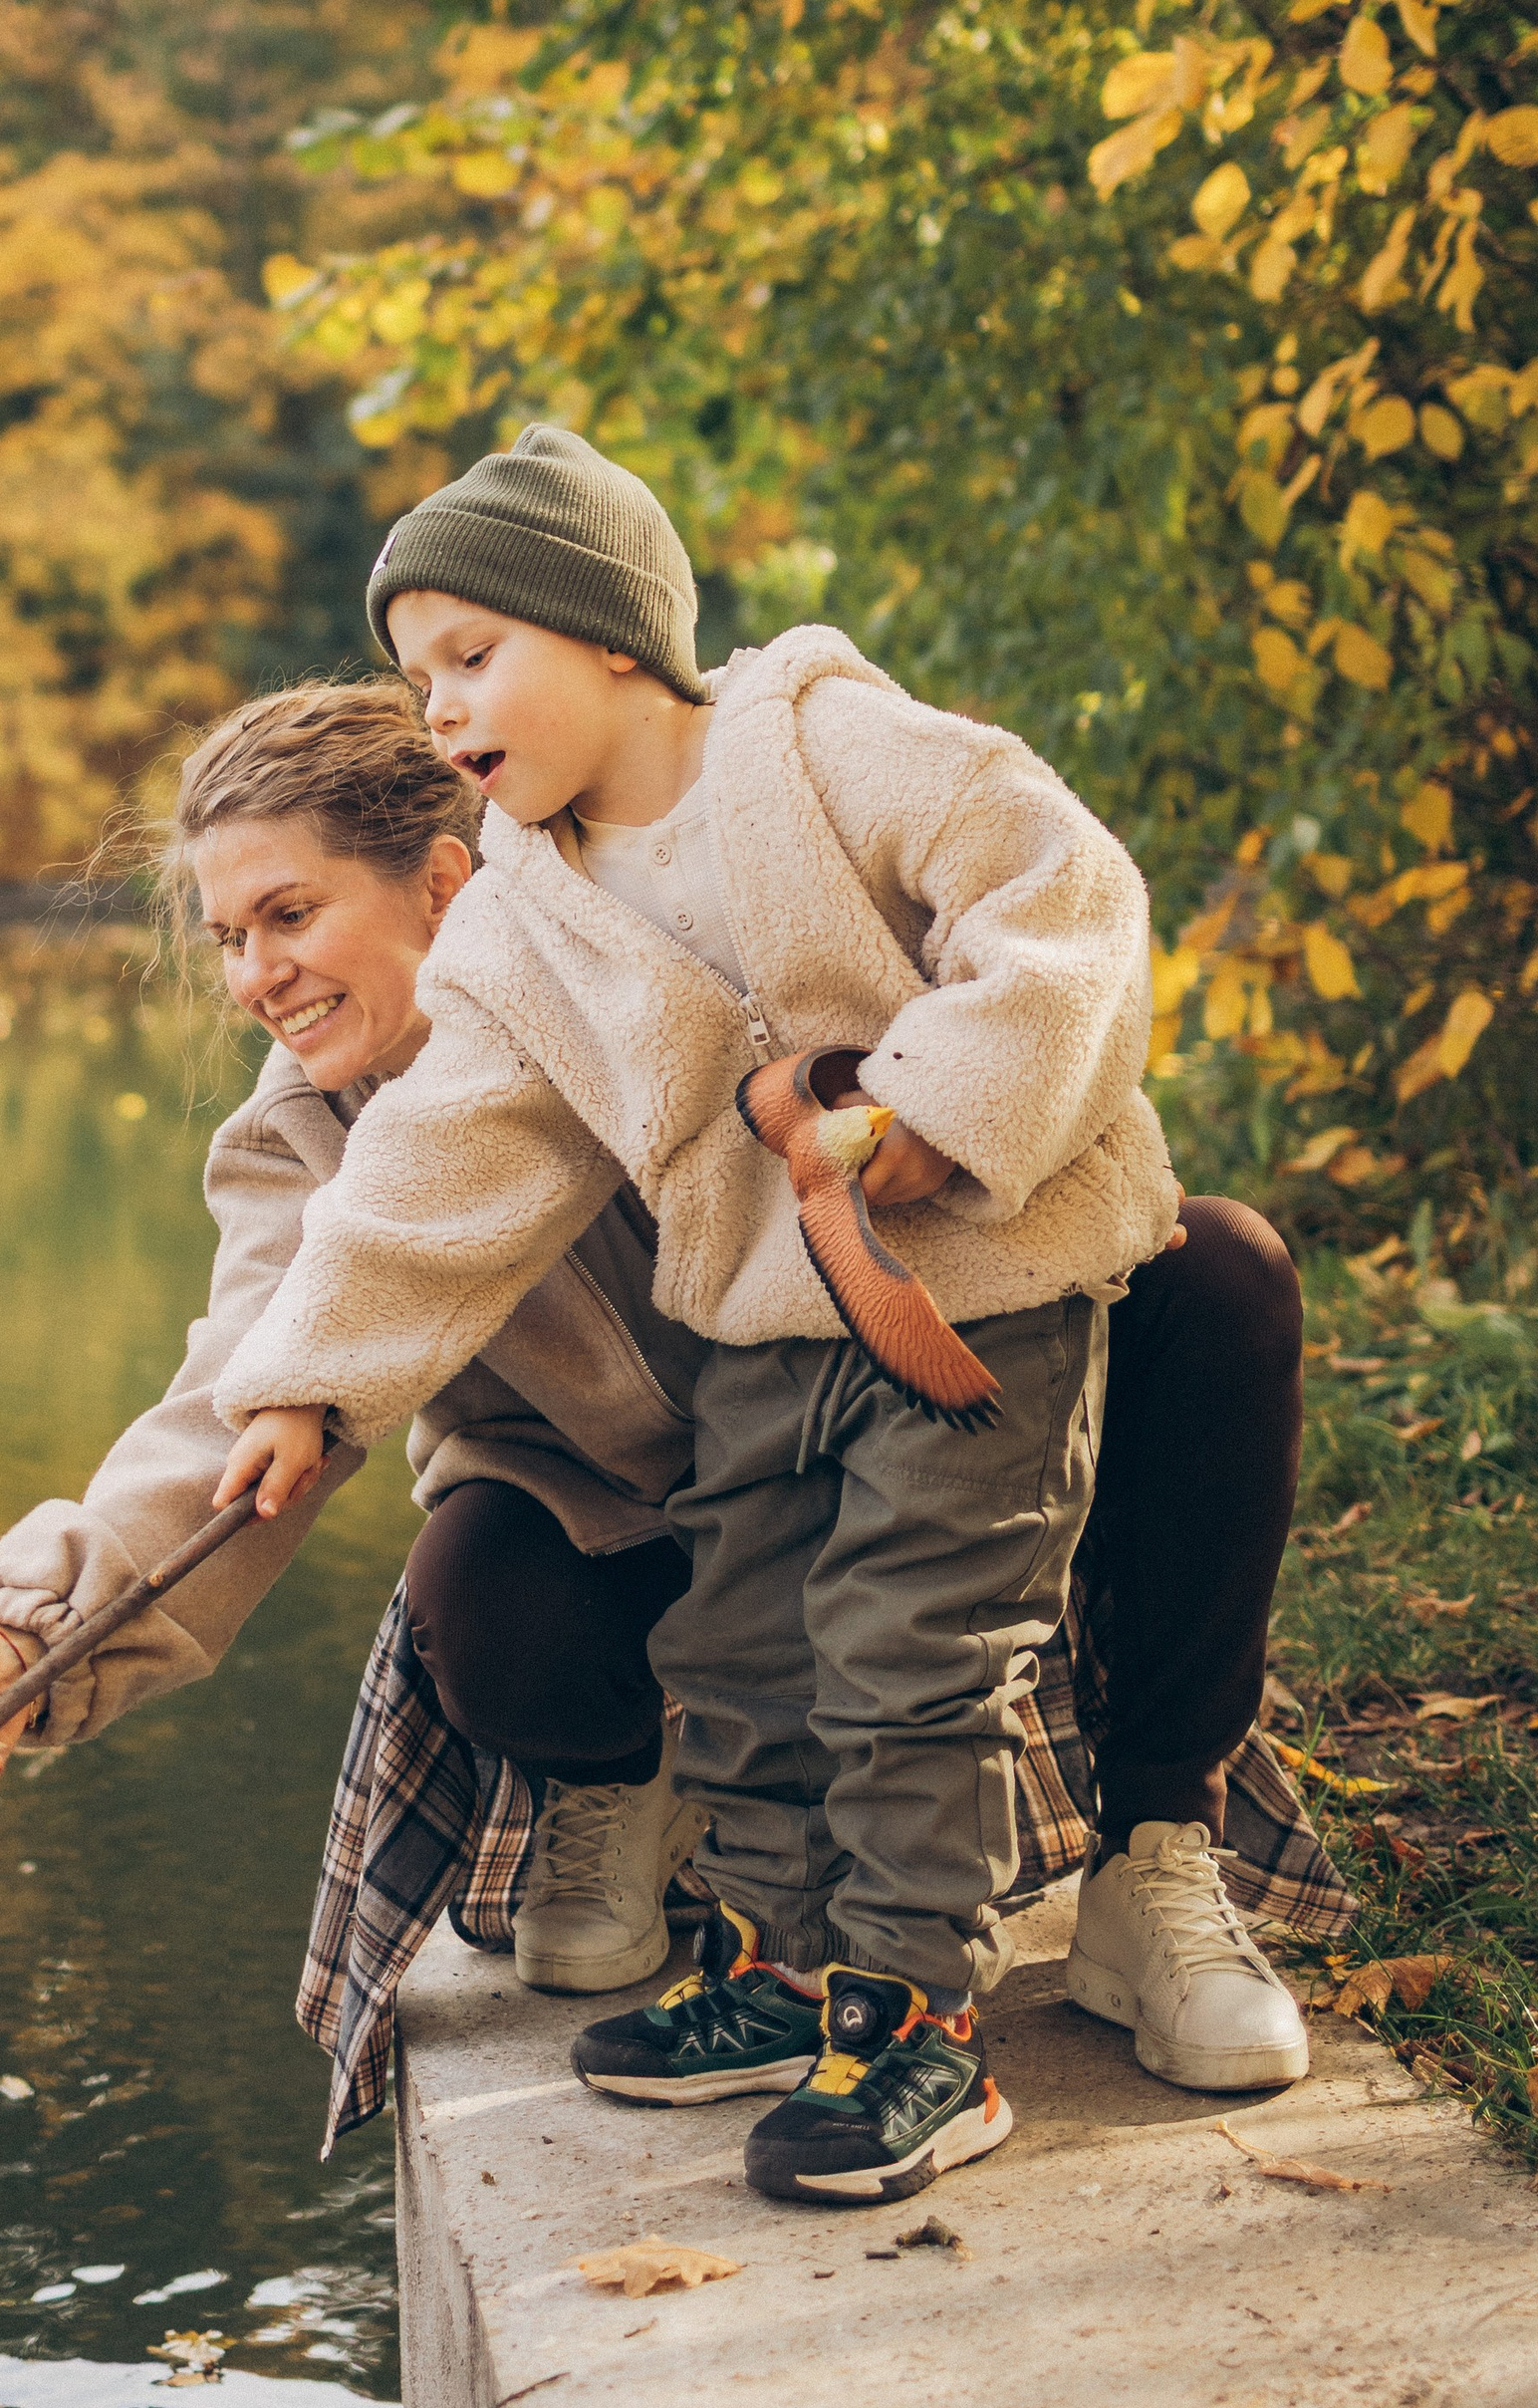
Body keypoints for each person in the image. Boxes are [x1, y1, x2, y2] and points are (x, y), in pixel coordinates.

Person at [0, 646, 1327, 2155]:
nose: (254, 975)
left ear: (441, 884)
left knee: (1215, 1270)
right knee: (474, 1570)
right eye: (228, 937)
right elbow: (229, 1412)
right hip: (654, 1553)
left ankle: (1157, 1853)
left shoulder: (662, 976)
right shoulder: (305, 1142)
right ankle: (649, 1799)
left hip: (913, 1454)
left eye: (291, 915)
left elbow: (982, 1019)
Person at [209, 425, 1298, 2209]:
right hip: (761, 1344)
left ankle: (920, 2022)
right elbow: (435, 1161)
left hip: (969, 1305)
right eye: (421, 681)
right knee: (745, 1659)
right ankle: (789, 1975)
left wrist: (940, 1105)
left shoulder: (823, 744)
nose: (444, 713)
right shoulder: (522, 916)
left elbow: (1065, 901)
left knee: (908, 1656)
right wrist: (308, 1384)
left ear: (617, 636)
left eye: (473, 657)